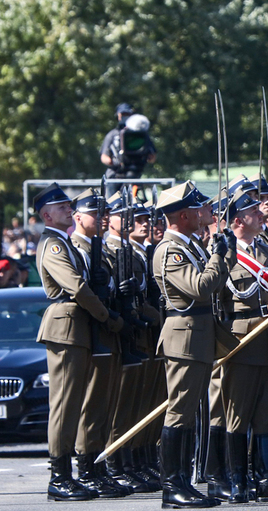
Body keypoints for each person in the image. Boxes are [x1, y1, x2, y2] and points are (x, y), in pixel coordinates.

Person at [33, 183, 125, 501]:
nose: (67, 210)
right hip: (66, 327)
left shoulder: (66, 244)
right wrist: (105, 315)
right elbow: (76, 287)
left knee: (77, 404)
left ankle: (72, 473)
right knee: (65, 406)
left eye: (68, 206)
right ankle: (59, 477)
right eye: (61, 207)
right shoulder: (52, 244)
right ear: (46, 214)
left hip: (78, 327)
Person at [152, 182, 237, 508]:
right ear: (184, 215)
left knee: (189, 415)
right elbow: (201, 287)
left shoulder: (189, 245)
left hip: (199, 335)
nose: (208, 212)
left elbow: (215, 282)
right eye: (201, 208)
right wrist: (218, 255)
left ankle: (183, 483)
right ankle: (172, 486)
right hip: (184, 338)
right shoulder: (170, 249)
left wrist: (223, 253)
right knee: (180, 413)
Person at [218, 189, 268, 503]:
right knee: (238, 413)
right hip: (241, 341)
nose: (262, 214)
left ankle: (267, 478)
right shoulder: (225, 255)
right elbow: (217, 302)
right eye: (254, 211)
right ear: (238, 220)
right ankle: (238, 481)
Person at [100, 103, 157, 193]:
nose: (125, 117)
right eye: (123, 114)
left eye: (127, 114)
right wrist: (116, 162)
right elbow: (104, 157)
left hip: (134, 175)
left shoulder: (141, 135)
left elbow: (152, 156)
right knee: (112, 204)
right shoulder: (112, 135)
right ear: (118, 115)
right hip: (115, 177)